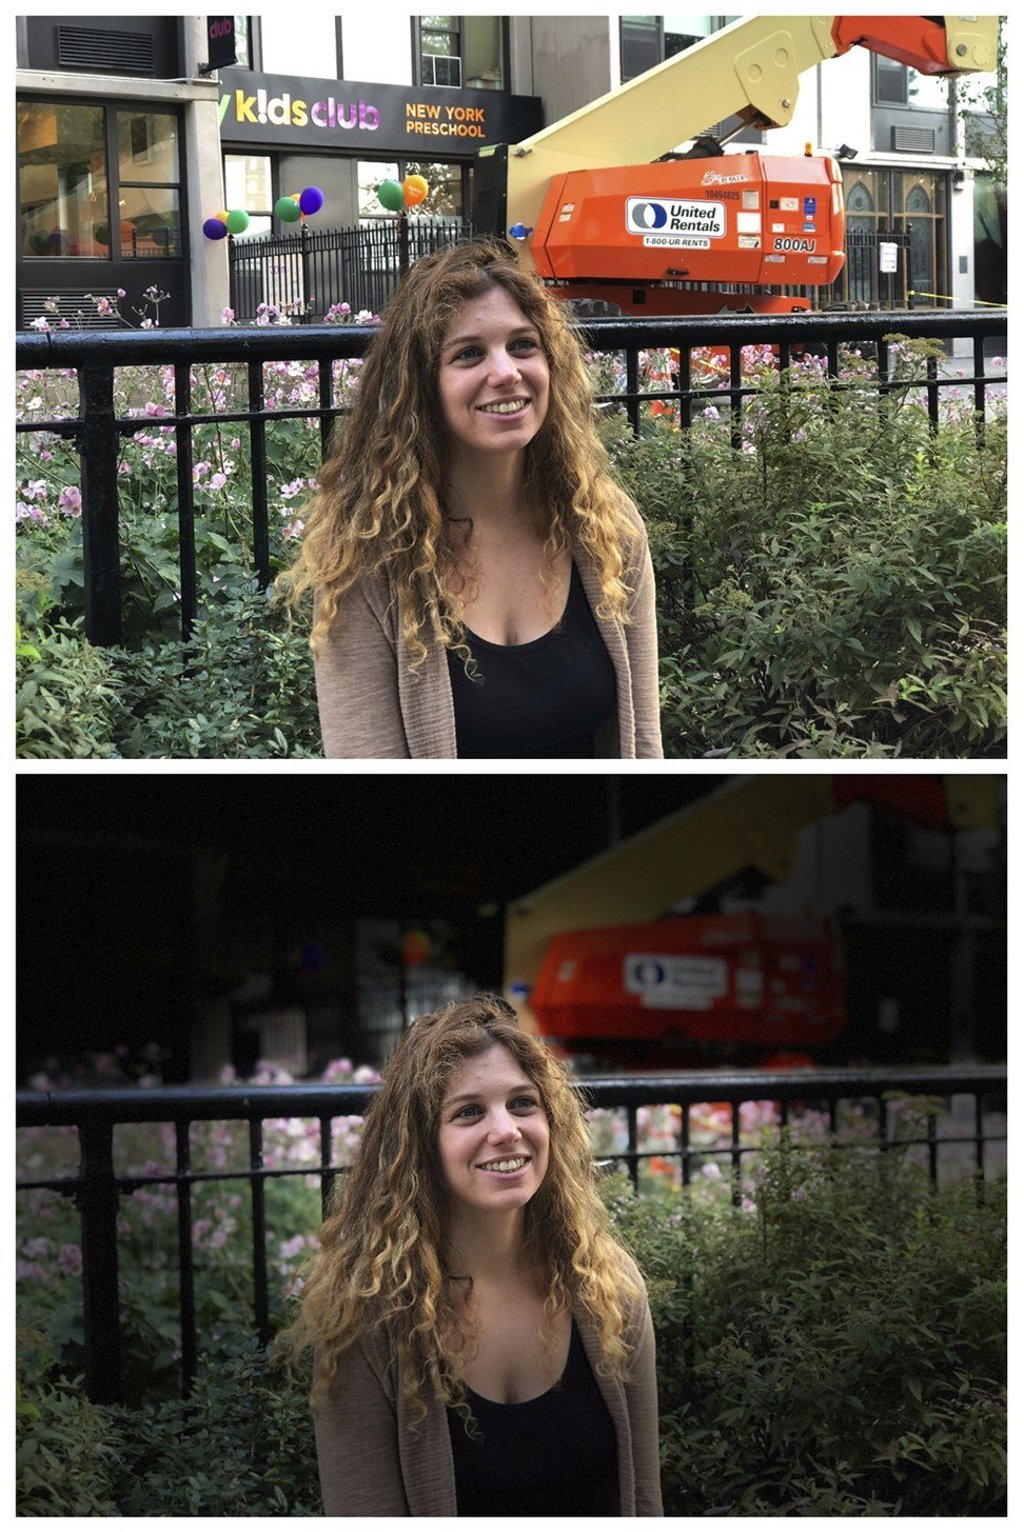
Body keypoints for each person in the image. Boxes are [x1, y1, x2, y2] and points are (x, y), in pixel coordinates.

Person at [277, 994, 663, 1516]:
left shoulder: (608, 1286)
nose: (506, 1131)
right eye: (469, 1112)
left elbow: (645, 1501)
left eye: (523, 1103)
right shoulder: (365, 1315)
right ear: (420, 1146)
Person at [278, 239, 663, 758]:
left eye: (523, 345)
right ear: (420, 388)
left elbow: (644, 743)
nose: (506, 372)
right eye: (468, 354)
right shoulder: (366, 558)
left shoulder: (605, 526)